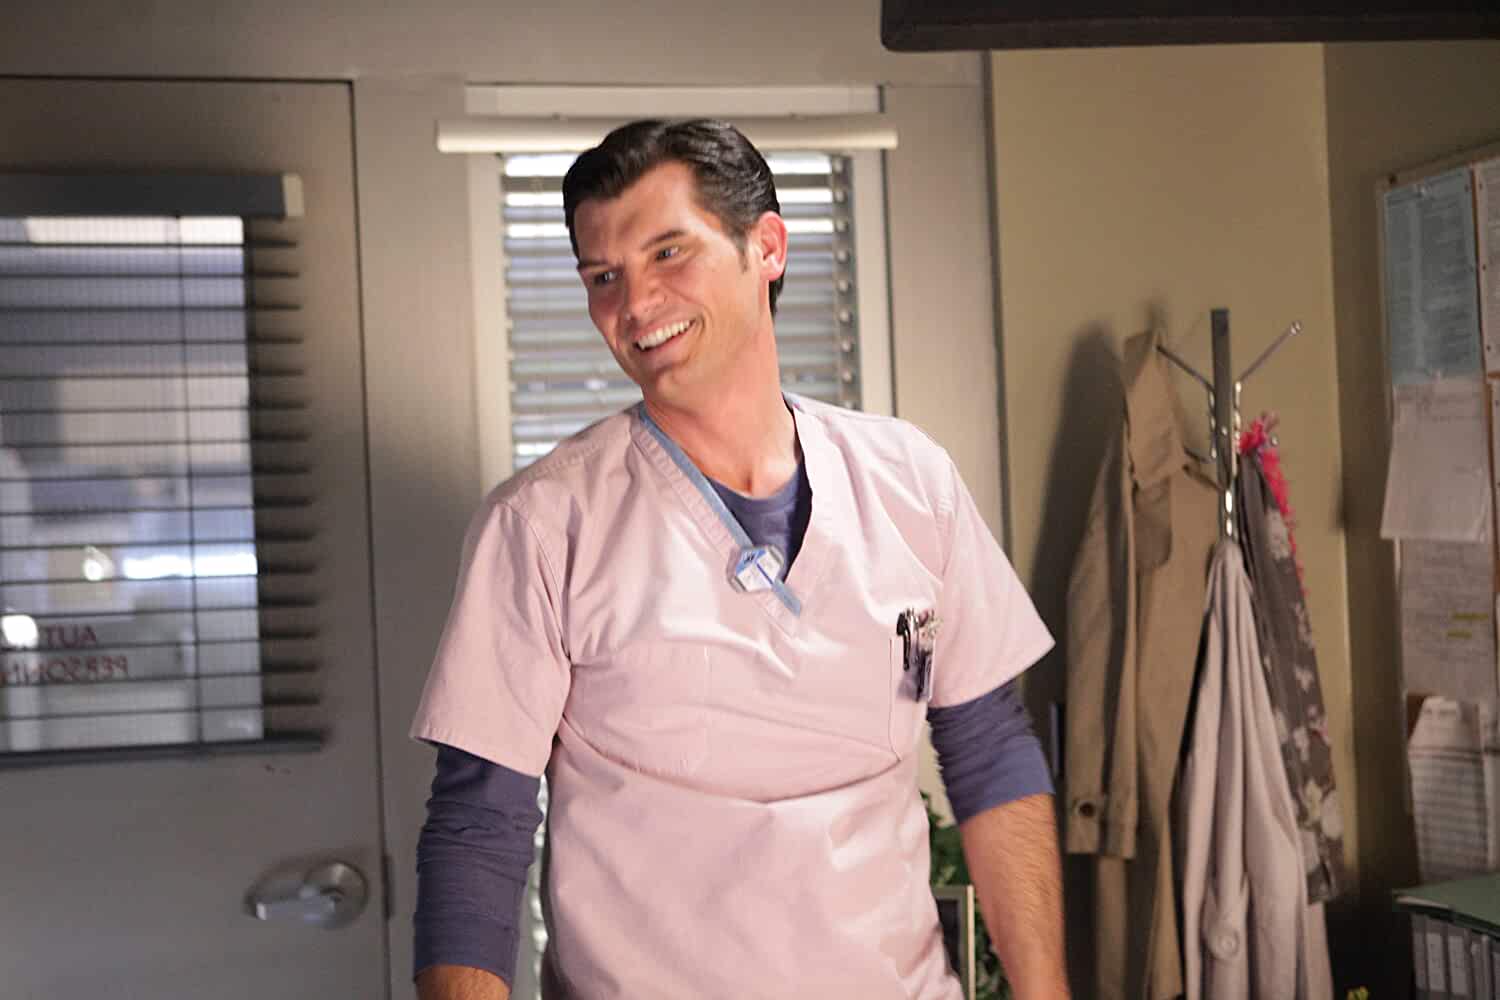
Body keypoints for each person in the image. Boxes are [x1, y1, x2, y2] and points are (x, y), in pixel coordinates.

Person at [410, 119, 1070, 1000]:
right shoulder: (542, 525)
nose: (635, 303)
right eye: (603, 276)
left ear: (767, 247)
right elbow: (477, 829)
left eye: (668, 253)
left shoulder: (912, 482)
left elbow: (989, 752)